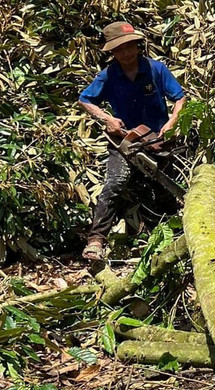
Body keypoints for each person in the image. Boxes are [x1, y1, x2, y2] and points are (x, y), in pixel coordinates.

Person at [77, 21, 186, 260]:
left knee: (165, 187)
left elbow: (179, 97)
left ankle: (171, 241)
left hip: (156, 139)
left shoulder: (156, 69)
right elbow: (85, 99)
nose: (126, 52)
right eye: (119, 49)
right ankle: (96, 240)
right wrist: (107, 118)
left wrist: (173, 121)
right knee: (115, 183)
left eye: (129, 46)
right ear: (112, 52)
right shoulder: (108, 76)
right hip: (124, 140)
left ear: (137, 45)